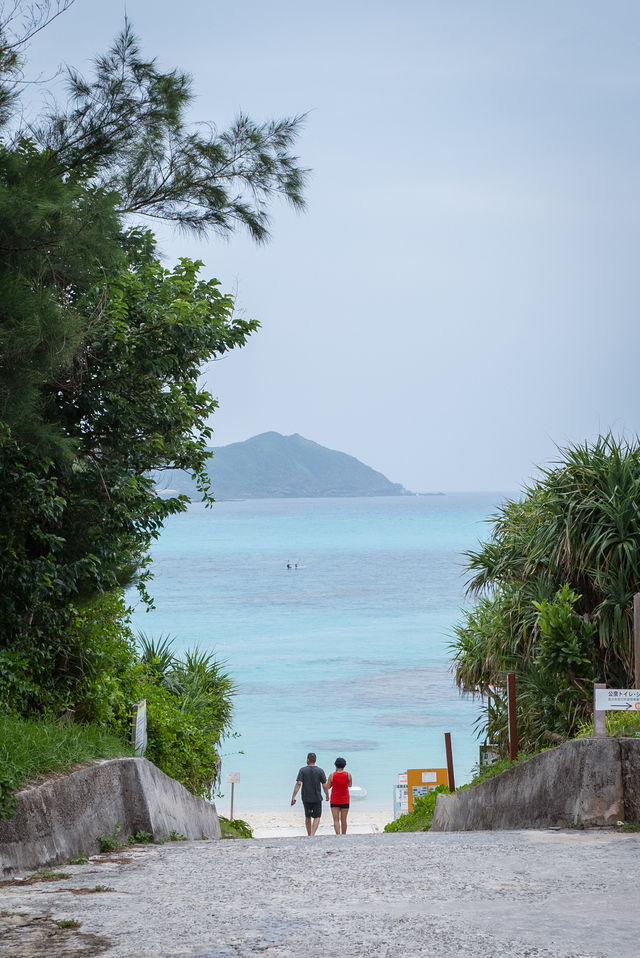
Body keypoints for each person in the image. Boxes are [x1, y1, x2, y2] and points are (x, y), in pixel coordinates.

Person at [291, 752, 328, 836]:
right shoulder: (320, 770)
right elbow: (324, 785)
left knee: (307, 816)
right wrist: (327, 795)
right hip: (317, 797)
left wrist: (293, 796)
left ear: (307, 760)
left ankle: (309, 834)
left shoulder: (302, 770)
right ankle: (312, 834)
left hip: (306, 797)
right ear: (315, 760)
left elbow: (299, 783)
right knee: (317, 816)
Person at [327, 756, 352, 835]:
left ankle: (338, 835)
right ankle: (344, 835)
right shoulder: (348, 775)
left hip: (335, 799)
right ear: (344, 765)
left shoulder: (332, 775)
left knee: (336, 820)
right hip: (345, 799)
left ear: (335, 765)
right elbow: (350, 785)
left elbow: (328, 787)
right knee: (344, 819)